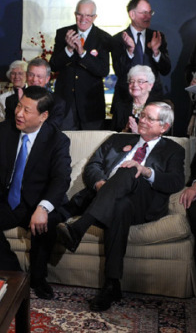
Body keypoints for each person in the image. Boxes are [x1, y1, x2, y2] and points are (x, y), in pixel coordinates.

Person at [57, 102, 184, 311]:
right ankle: (111, 284)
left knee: (128, 169)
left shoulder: (173, 150)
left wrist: (145, 171)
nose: (142, 120)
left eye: (149, 118)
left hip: (143, 204)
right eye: (142, 115)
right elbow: (93, 166)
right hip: (111, 201)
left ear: (164, 127)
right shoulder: (118, 139)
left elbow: (175, 182)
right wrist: (100, 184)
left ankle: (80, 226)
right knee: (120, 206)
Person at [0, 86, 71, 300]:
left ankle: (38, 278)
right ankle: (11, 270)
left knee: (48, 221)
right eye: (18, 106)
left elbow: (61, 179)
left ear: (43, 116)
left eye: (26, 110)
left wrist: (43, 207)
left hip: (38, 202)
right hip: (8, 201)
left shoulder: (57, 140)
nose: (18, 113)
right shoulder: (7, 130)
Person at [49, 0, 112, 130]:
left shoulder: (103, 38)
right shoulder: (63, 33)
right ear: (75, 14)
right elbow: (53, 65)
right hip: (65, 103)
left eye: (88, 15)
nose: (83, 18)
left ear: (94, 17)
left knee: (90, 146)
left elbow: (103, 70)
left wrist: (82, 53)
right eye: (80, 14)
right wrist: (69, 49)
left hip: (91, 106)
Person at [111, 0, 171, 110]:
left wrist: (156, 51)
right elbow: (119, 71)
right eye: (144, 13)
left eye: (150, 13)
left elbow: (165, 70)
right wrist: (130, 51)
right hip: (125, 101)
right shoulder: (118, 39)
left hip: (153, 101)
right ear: (132, 14)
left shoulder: (157, 36)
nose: (148, 16)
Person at [5, 58, 65, 129]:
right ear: (26, 76)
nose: (34, 80)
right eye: (31, 75)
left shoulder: (57, 103)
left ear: (47, 79)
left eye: (39, 76)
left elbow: (51, 130)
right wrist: (20, 105)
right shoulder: (12, 100)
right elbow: (9, 129)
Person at [111, 65, 160, 132]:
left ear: (150, 85)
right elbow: (113, 136)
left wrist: (138, 132)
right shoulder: (120, 107)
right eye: (132, 81)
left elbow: (162, 137)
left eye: (140, 81)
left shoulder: (158, 109)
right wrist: (125, 130)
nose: (135, 85)